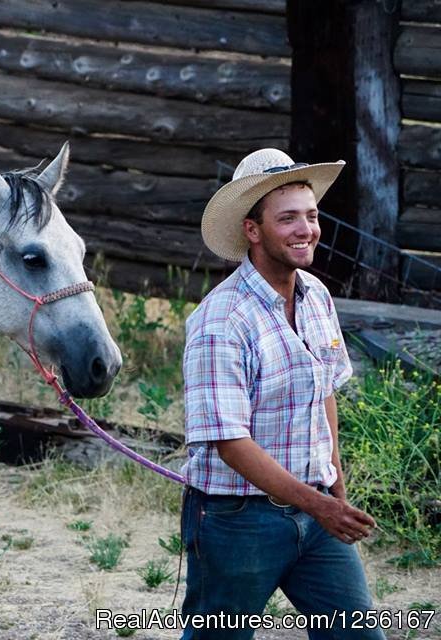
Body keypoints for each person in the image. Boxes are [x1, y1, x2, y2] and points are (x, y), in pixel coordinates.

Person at [179, 148, 383, 639]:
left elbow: (326, 391)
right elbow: (230, 442)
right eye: (288, 218)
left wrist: (334, 483)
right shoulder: (220, 321)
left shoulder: (316, 295)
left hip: (316, 511)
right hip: (237, 519)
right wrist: (323, 507)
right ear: (253, 230)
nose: (306, 230)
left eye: (311, 216)